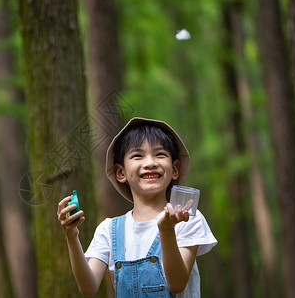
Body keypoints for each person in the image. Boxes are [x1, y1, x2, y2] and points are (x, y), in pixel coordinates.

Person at [57, 117, 217, 297]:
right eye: (137, 156)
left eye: (160, 154)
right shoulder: (109, 230)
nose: (150, 163)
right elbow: (88, 287)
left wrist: (166, 231)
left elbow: (177, 284)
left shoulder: (187, 218)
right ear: (121, 172)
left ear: (175, 169)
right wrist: (71, 236)